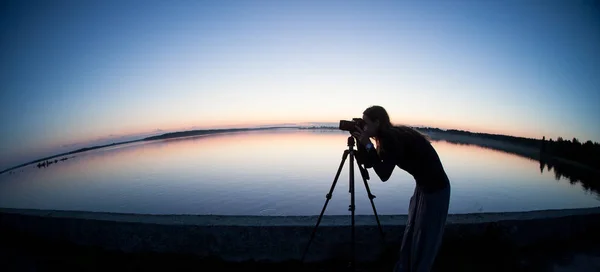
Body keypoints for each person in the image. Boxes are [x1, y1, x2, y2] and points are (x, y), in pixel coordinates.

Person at [351, 105, 451, 272]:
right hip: (423, 186)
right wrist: (361, 142)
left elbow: (383, 174)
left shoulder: (392, 138)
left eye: (366, 123)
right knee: (412, 229)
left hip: (436, 189)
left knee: (425, 236)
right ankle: (405, 267)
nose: (364, 127)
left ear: (377, 122)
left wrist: (368, 145)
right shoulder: (386, 137)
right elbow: (369, 163)